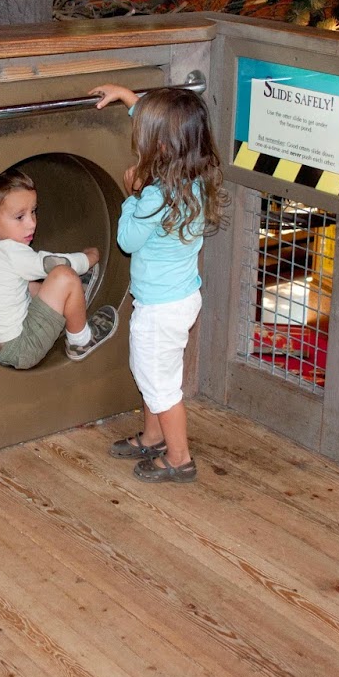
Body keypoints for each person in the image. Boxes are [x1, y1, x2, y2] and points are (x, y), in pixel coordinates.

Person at [90, 83, 226, 483]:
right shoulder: (195, 181)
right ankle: (153, 436)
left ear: (162, 146)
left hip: (159, 308)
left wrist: (131, 195)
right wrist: (129, 99)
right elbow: (165, 127)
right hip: (181, 297)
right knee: (152, 372)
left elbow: (127, 240)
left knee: (159, 382)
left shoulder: (155, 197)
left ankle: (179, 458)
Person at [0, 167, 117, 369]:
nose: (31, 224)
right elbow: (54, 263)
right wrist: (89, 258)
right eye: (20, 217)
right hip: (23, 347)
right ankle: (81, 341)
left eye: (33, 211)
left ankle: (72, 302)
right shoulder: (12, 251)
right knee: (65, 276)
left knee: (23, 283)